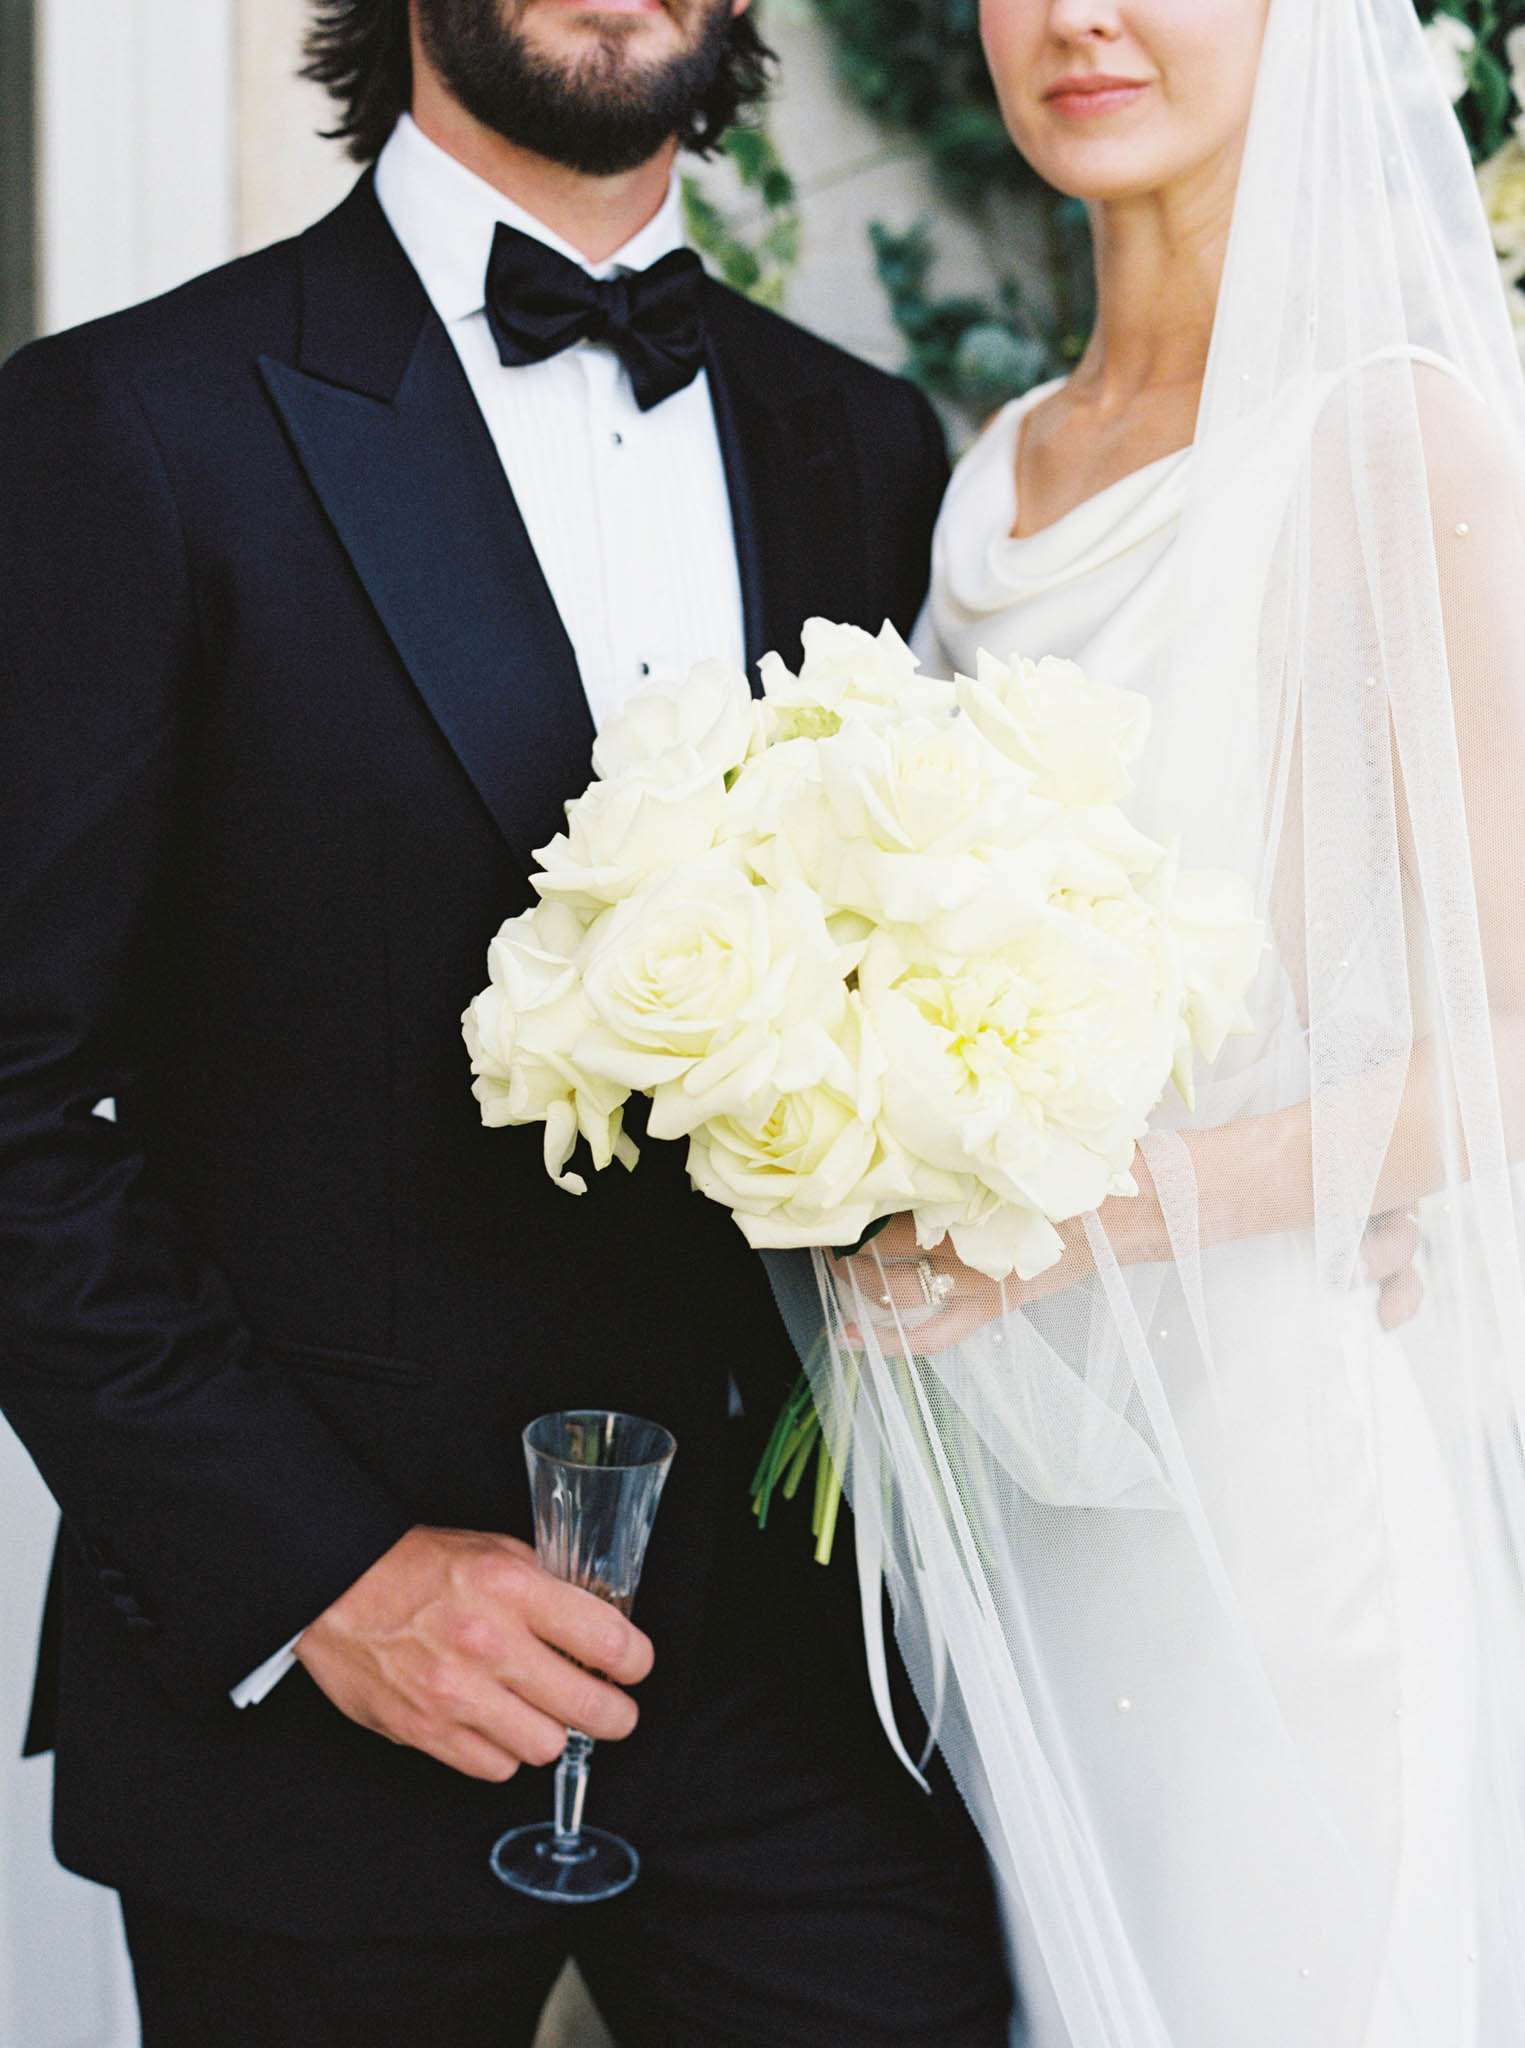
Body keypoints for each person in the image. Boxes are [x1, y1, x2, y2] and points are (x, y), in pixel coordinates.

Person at [0, 3, 1016, 2043]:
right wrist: (328, 1577)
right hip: (317, 1723)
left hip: (805, 1709)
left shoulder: (871, 443)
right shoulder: (129, 424)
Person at [802, 0, 1525, 2040]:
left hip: (1271, 1471)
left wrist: (1124, 1207)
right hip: (1023, 1482)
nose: (1075, 19)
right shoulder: (995, 470)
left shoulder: (1395, 439)